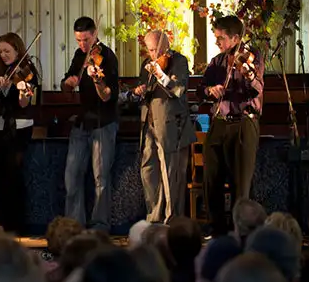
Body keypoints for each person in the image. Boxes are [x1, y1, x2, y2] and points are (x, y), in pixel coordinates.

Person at [197, 15, 264, 236]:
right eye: (216, 38)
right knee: (211, 177)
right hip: (219, 122)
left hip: (243, 123)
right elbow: (201, 89)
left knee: (240, 182)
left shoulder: (252, 57)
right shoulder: (216, 62)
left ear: (236, 38)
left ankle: (241, 231)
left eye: (221, 38)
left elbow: (256, 88)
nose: (217, 43)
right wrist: (210, 90)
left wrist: (248, 73)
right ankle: (216, 227)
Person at [121, 30, 195, 223]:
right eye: (150, 50)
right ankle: (153, 216)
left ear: (165, 46)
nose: (153, 55)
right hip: (149, 124)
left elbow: (178, 91)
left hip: (171, 126)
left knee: (171, 174)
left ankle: (173, 219)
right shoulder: (147, 64)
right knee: (148, 170)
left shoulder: (179, 61)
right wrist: (138, 91)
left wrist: (161, 74)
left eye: (156, 50)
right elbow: (145, 92)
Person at [61, 16, 119, 231]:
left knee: (100, 178)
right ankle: (73, 225)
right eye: (78, 40)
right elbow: (67, 85)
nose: (83, 45)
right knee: (72, 175)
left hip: (104, 123)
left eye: (86, 40)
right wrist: (67, 83)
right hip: (83, 122)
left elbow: (107, 96)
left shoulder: (108, 57)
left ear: (95, 34)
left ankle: (100, 225)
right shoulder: (79, 55)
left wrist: (97, 80)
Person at [0, 32, 41, 234]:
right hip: (0, 127)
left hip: (19, 130)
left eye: (7, 51)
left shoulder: (28, 71)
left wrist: (24, 92)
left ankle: (16, 224)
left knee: (13, 177)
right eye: (0, 52)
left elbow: (24, 103)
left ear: (17, 49)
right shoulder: (4, 71)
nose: (4, 55)